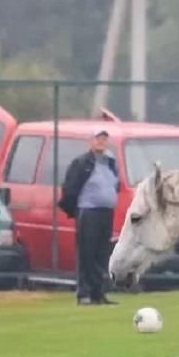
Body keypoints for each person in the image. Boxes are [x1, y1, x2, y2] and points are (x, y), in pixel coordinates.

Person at [57, 128, 120, 305]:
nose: (101, 141)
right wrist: (75, 210)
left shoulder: (110, 162)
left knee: (101, 253)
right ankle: (83, 293)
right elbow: (70, 188)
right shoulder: (81, 162)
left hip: (105, 212)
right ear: (90, 141)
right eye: (98, 138)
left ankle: (98, 293)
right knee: (87, 253)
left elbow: (114, 185)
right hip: (88, 212)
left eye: (104, 139)